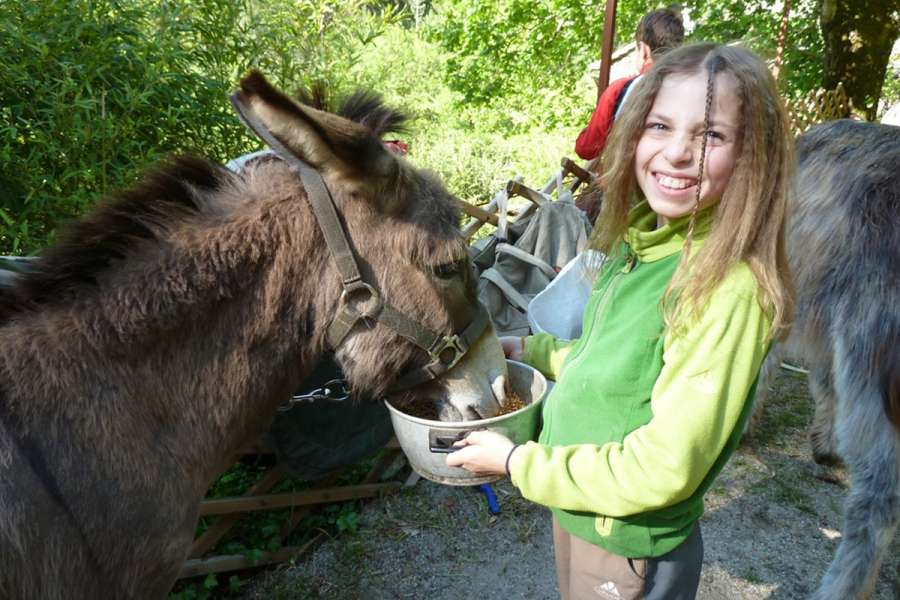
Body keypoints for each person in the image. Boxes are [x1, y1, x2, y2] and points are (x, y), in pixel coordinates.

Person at [447, 42, 794, 600]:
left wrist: (516, 463)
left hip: (627, 535)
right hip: (582, 502)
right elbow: (610, 361)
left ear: (754, 155)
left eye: (711, 135)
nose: (678, 152)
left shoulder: (726, 288)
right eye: (660, 125)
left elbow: (665, 466)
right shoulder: (639, 243)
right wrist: (528, 350)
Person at [574, 8, 685, 162]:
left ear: (644, 50)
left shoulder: (621, 90)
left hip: (627, 182)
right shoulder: (695, 88)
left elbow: (586, 149)